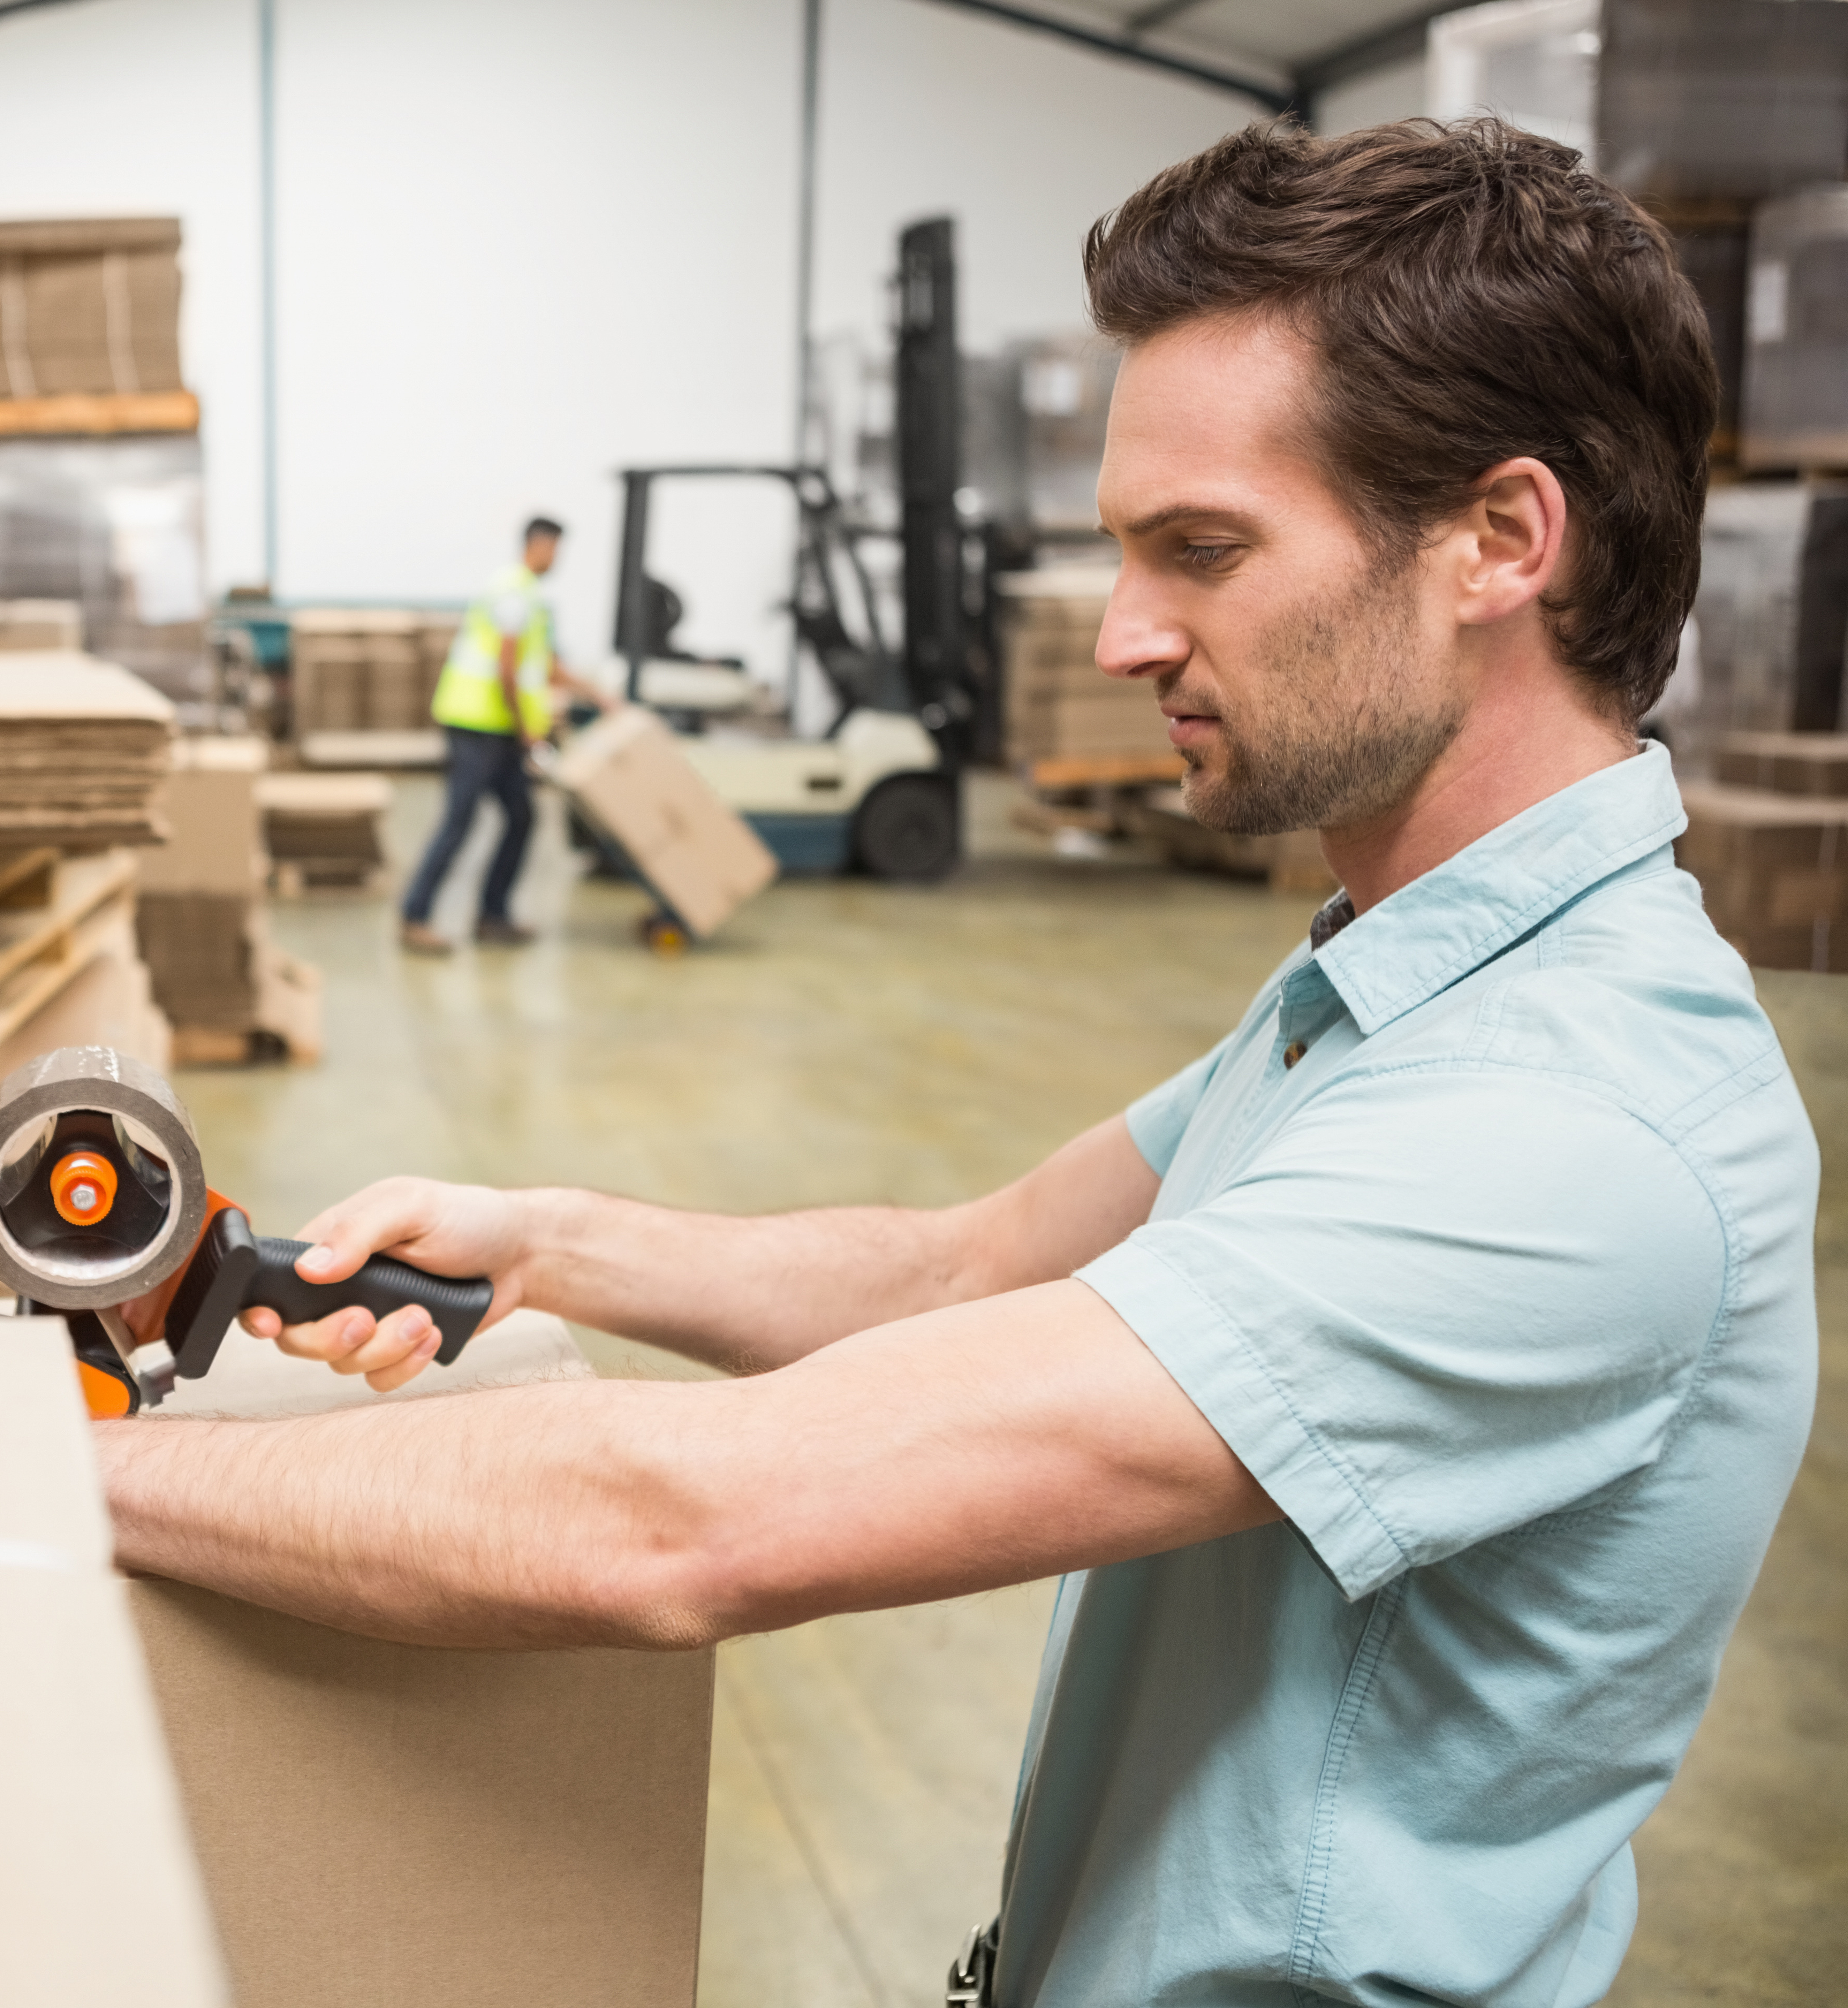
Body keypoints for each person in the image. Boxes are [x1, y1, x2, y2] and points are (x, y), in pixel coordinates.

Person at [99, 119, 1818, 2005]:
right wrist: (552, 1243)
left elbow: (685, 1526)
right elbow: (975, 1267)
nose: (1121, 633)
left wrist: (57, 1478)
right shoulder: (1405, 988)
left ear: (1501, 541)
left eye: (1205, 551)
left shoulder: (1563, 1128)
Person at [399, 516, 609, 954]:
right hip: (478, 725)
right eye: (554, 549)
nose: (557, 559)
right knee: (460, 822)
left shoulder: (530, 596)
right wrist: (528, 733)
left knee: (522, 817)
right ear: (538, 545)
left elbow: (546, 666)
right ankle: (415, 917)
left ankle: (493, 915)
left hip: (501, 729)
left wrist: (600, 697)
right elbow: (508, 669)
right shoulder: (513, 594)